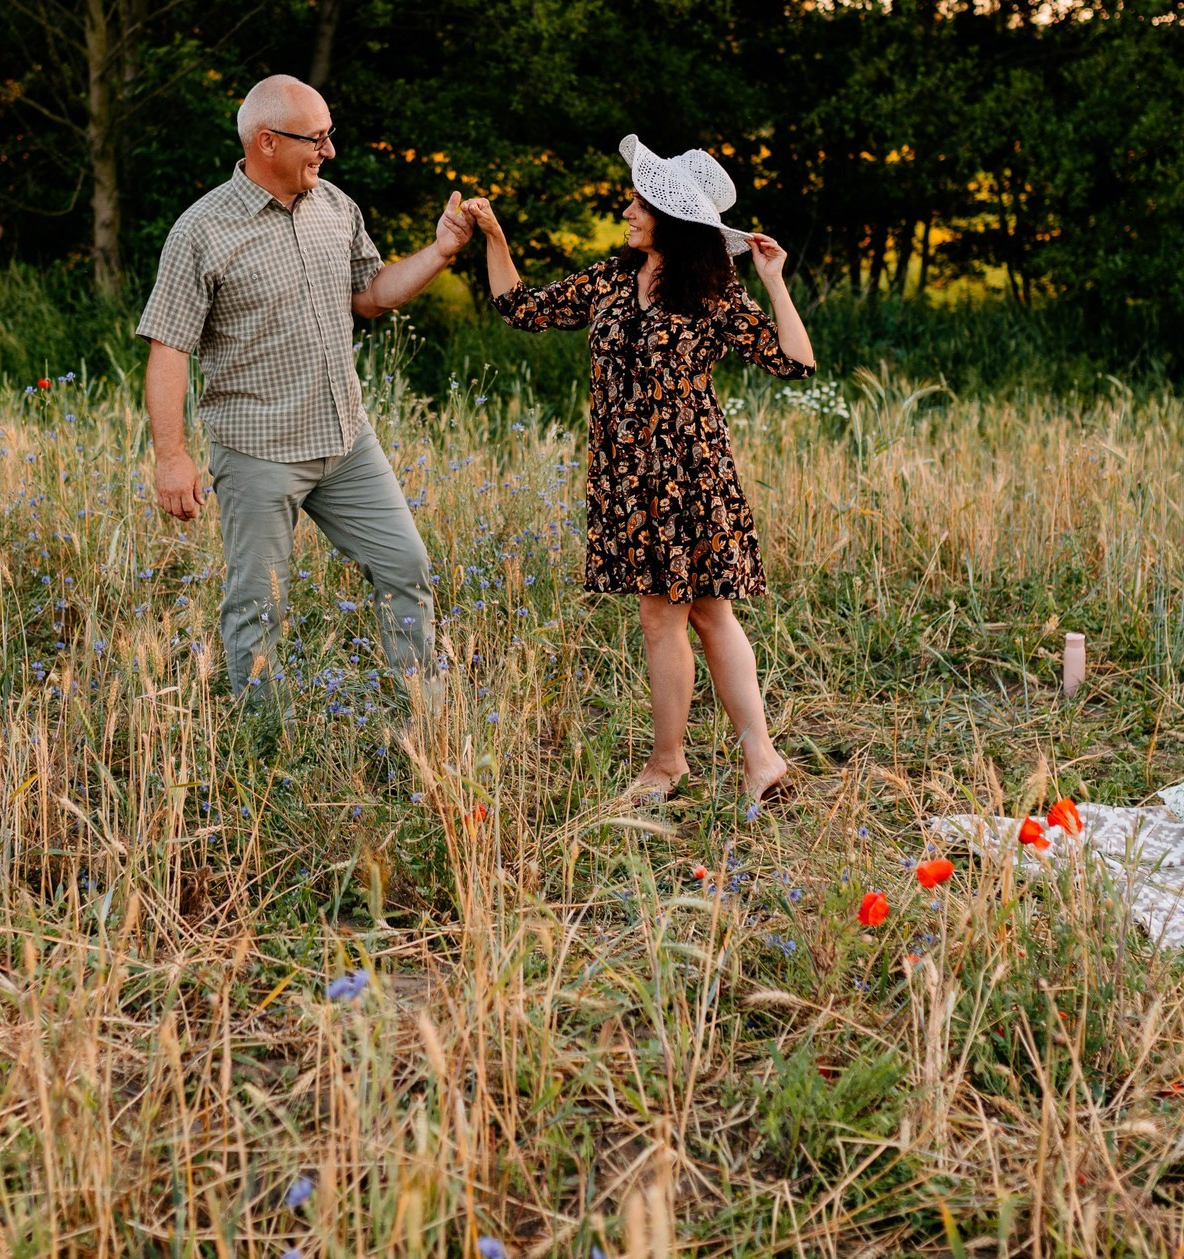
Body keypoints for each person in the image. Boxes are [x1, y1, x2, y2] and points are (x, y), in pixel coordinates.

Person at [464, 137, 815, 805]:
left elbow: (794, 361)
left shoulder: (714, 291)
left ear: (671, 218)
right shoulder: (610, 279)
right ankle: (758, 760)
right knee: (706, 611)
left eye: (639, 201)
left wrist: (774, 281)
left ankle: (670, 764)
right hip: (626, 479)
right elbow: (522, 308)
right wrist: (496, 238)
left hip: (691, 473)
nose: (627, 210)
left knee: (681, 616)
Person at [138, 74, 474, 720]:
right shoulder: (202, 231)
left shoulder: (334, 207)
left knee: (406, 565)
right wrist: (171, 455)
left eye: (329, 135)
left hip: (346, 441)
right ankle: (264, 752)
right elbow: (168, 347)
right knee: (258, 605)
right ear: (267, 141)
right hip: (259, 451)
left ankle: (425, 721)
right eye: (317, 138)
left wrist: (440, 251)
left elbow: (371, 293)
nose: (330, 150)